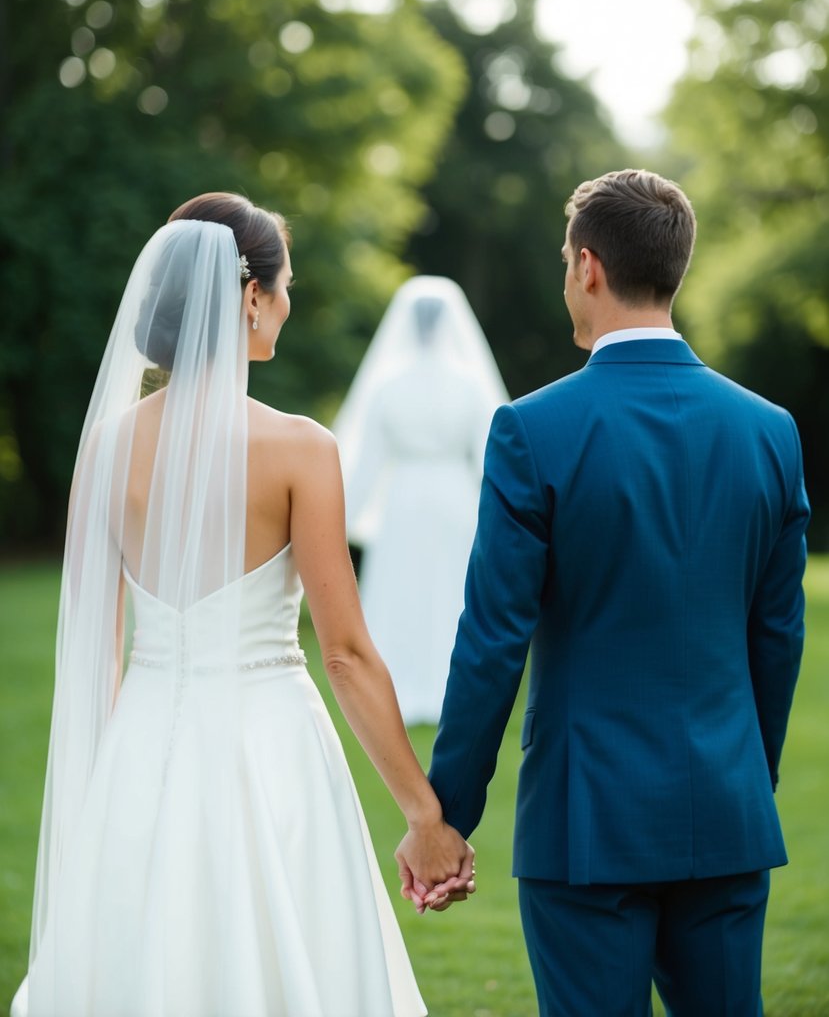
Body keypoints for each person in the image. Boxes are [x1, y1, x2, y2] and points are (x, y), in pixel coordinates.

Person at [12, 193, 473, 1017]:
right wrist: (425, 817)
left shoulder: (106, 450)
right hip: (272, 749)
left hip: (142, 750)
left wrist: (113, 784)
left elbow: (94, 646)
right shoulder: (300, 449)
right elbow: (345, 654)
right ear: (250, 296)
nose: (289, 305)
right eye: (285, 285)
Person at [403, 170, 809, 1015]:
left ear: (587, 267)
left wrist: (447, 818)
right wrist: (744, 773)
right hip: (726, 815)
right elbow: (778, 636)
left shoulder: (531, 429)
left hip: (585, 825)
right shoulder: (770, 431)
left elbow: (491, 642)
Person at [334, 276, 507, 723]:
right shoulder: (469, 384)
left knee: (405, 590)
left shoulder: (387, 384)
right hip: (456, 500)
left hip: (404, 501)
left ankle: (398, 690)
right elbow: (490, 460)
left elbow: (367, 464)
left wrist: (337, 522)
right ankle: (451, 688)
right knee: (450, 594)